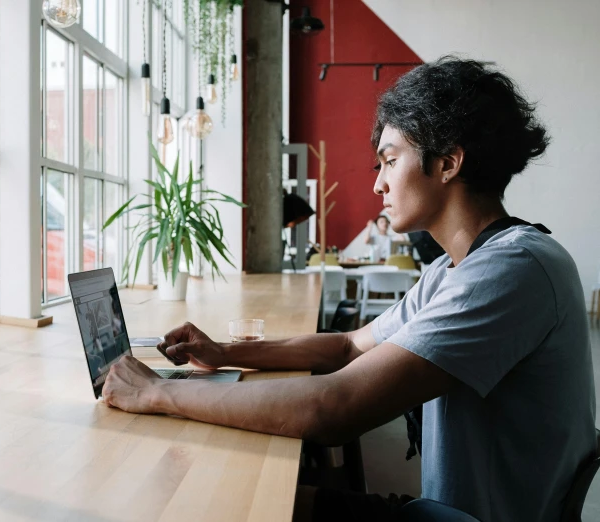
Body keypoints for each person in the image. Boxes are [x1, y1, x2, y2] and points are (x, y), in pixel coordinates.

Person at [101, 57, 596, 522]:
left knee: (231, 501)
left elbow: (333, 407)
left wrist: (158, 393)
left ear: (448, 164)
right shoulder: (455, 269)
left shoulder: (512, 268)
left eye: (389, 160)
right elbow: (347, 345)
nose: (378, 183)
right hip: (448, 507)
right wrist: (224, 351)